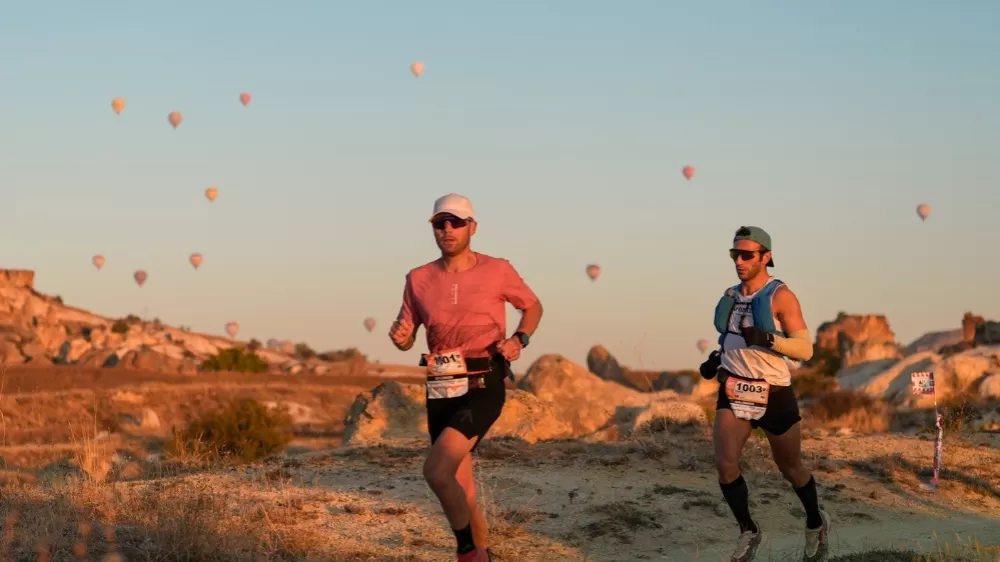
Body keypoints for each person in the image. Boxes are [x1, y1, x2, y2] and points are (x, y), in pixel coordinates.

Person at [388, 193, 543, 562]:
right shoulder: (418, 278)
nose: (447, 229)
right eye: (440, 223)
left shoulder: (497, 269)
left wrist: (519, 339)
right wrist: (400, 338)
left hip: (484, 380)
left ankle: (466, 552)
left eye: (456, 222)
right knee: (461, 482)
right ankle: (483, 554)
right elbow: (407, 338)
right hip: (441, 383)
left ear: (472, 227)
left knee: (436, 471)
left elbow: (533, 306)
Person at [700, 226, 831, 562]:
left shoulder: (781, 296)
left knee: (790, 467)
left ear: (766, 257)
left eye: (747, 255)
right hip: (734, 389)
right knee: (725, 465)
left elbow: (805, 350)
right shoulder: (730, 295)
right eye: (735, 254)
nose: (739, 261)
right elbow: (730, 338)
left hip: (773, 393)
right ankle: (748, 530)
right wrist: (715, 360)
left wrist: (769, 339)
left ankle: (815, 522)